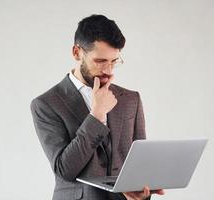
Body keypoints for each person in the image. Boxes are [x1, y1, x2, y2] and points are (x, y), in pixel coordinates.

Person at [30, 14, 164, 200]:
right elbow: (64, 170)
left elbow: (137, 163)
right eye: (100, 61)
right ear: (77, 52)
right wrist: (97, 114)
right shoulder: (46, 104)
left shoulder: (130, 99)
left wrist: (141, 193)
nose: (108, 71)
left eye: (114, 61)